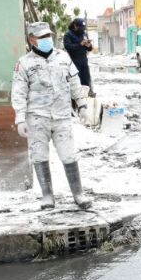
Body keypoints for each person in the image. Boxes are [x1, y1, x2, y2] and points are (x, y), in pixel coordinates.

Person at [12, 21, 94, 210]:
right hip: (37, 117)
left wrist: (82, 106)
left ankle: (78, 194)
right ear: (32, 39)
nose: (47, 39)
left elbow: (74, 83)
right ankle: (47, 195)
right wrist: (20, 118)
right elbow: (18, 92)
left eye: (48, 36)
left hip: (62, 115)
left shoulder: (63, 58)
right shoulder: (24, 63)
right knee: (39, 155)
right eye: (42, 37)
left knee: (69, 154)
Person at [64, 18, 94, 94]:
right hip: (74, 62)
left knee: (86, 80)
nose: (82, 30)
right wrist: (80, 44)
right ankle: (77, 100)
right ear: (75, 26)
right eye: (80, 28)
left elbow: (90, 49)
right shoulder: (68, 35)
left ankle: (88, 95)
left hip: (84, 61)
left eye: (83, 28)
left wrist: (89, 45)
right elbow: (68, 47)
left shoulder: (84, 34)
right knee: (77, 82)